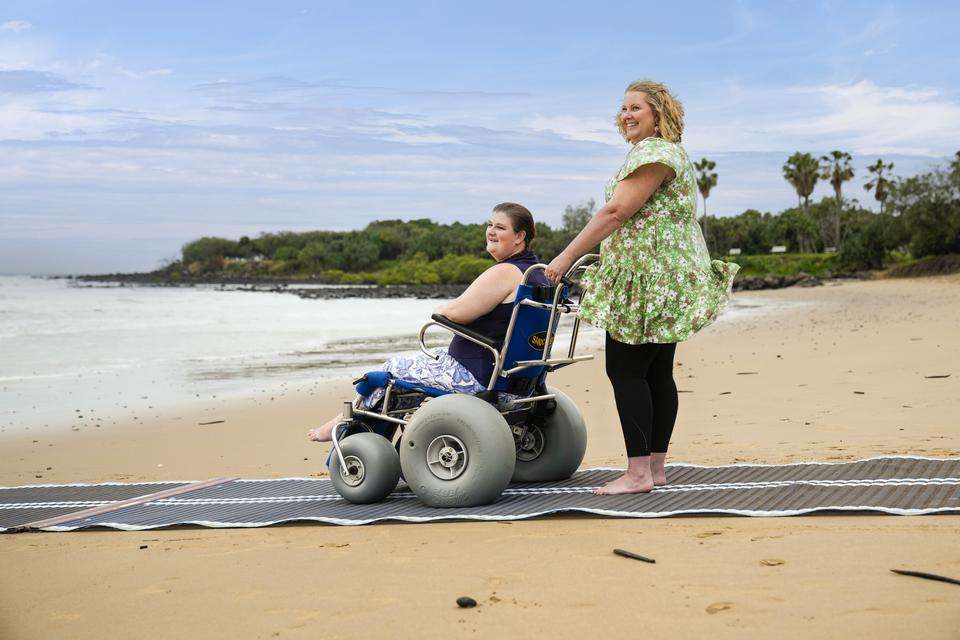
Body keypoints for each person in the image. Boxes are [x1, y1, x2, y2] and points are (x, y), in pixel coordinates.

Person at [545, 80, 739, 495]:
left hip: (648, 278)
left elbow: (616, 211)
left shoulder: (654, 152)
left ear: (658, 116)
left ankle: (637, 475)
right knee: (654, 372)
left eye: (636, 108)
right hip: (664, 275)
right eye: (623, 108)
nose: (626, 115)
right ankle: (654, 468)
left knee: (626, 369)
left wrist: (564, 258)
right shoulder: (667, 152)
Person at [308, 202, 549, 442]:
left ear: (519, 236)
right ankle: (353, 425)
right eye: (489, 225)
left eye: (500, 227)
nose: (491, 231)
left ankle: (343, 425)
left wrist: (441, 308)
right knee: (427, 360)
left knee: (389, 370)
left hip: (478, 375)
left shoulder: (506, 271)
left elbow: (456, 313)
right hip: (519, 379)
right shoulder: (540, 275)